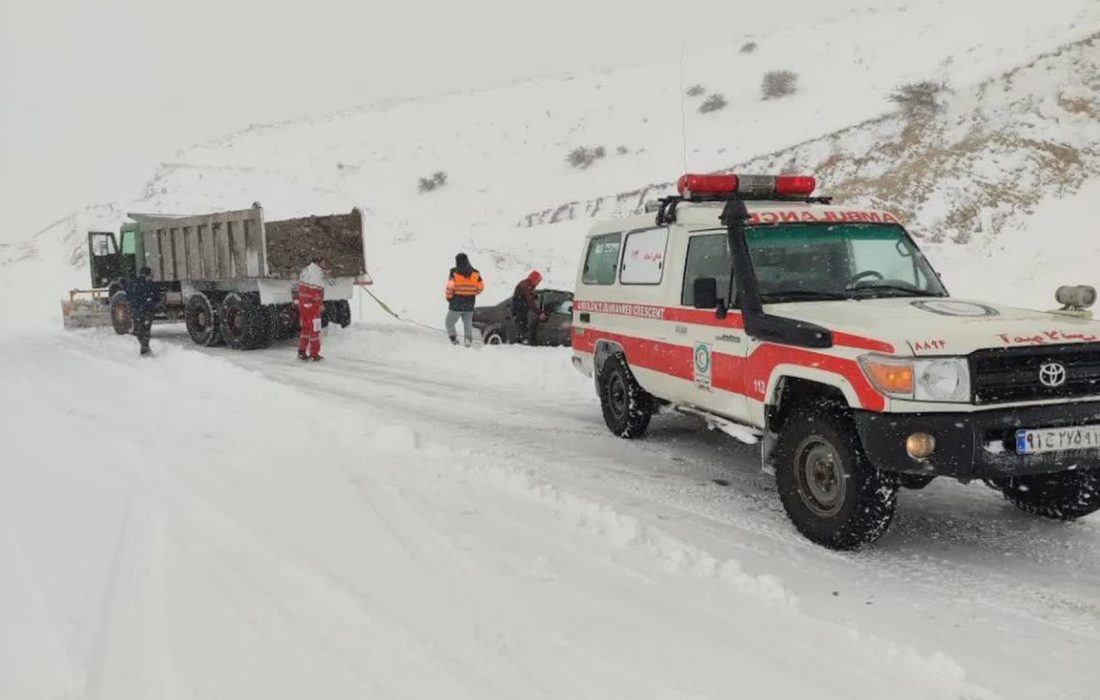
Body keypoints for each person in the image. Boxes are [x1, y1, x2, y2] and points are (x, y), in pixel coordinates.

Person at [445, 253, 484, 346]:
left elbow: (449, 288)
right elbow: (481, 287)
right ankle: (467, 341)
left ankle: (454, 339)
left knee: (449, 322)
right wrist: (471, 293)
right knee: (467, 324)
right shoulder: (476, 273)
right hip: (469, 304)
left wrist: (449, 298)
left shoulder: (453, 273)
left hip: (456, 304)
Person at [126, 266, 160, 356]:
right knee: (146, 329)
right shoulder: (152, 285)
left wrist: (133, 305)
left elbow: (128, 296)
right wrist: (152, 305)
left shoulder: (134, 284)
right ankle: (145, 346)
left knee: (139, 329)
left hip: (137, 310)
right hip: (148, 311)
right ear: (148, 274)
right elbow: (157, 298)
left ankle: (144, 347)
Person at [298, 257, 327, 361]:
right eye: (324, 262)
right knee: (315, 331)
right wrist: (319, 305)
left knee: (305, 329)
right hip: (312, 307)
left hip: (303, 305)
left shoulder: (306, 270)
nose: (325, 265)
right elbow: (315, 292)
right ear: (319, 262)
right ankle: (314, 354)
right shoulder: (316, 273)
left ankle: (301, 351)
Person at [512, 270, 547, 345]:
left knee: (522, 326)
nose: (538, 283)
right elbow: (530, 302)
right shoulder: (528, 286)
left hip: (519, 308)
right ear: (535, 279)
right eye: (538, 281)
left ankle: (521, 340)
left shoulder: (526, 283)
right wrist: (540, 312)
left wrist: (534, 295)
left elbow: (527, 295)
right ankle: (521, 343)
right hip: (520, 309)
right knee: (522, 327)